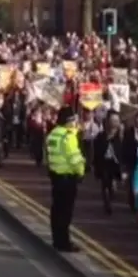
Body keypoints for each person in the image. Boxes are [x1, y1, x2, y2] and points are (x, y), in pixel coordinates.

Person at [46, 106, 85, 252]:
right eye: (74, 120)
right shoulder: (68, 137)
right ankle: (64, 242)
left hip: (55, 176)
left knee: (56, 209)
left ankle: (57, 239)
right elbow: (74, 158)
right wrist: (81, 172)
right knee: (66, 212)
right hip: (68, 178)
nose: (76, 123)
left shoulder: (52, 134)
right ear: (68, 121)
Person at [93, 110, 124, 215]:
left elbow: (123, 150)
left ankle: (110, 194)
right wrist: (95, 166)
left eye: (116, 120)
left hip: (115, 164)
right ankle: (107, 204)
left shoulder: (121, 136)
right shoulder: (101, 136)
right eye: (112, 120)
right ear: (107, 121)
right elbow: (96, 152)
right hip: (104, 163)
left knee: (113, 186)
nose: (114, 123)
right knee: (105, 184)